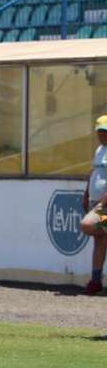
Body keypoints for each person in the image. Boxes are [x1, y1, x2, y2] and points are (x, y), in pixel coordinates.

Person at [79, 116, 107, 295]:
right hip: (95, 202)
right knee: (100, 239)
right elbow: (93, 172)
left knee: (87, 225)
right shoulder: (99, 150)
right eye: (100, 131)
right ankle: (95, 281)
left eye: (105, 131)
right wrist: (86, 193)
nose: (102, 134)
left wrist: (100, 205)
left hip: (103, 205)